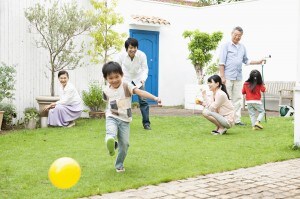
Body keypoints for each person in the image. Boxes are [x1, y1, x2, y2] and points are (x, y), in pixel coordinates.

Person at [102, 61, 161, 172]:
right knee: (110, 133)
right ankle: (110, 142)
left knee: (124, 145)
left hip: (125, 119)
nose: (114, 80)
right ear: (106, 78)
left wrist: (155, 98)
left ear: (122, 75)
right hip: (112, 116)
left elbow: (140, 92)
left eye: (116, 77)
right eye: (110, 78)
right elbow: (106, 102)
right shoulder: (106, 90)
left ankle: (118, 162)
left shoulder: (126, 85)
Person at [219, 26, 265, 126]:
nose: (237, 37)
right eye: (235, 35)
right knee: (226, 98)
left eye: (239, 35)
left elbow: (246, 60)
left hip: (238, 77)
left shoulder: (242, 47)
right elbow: (221, 63)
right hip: (227, 77)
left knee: (238, 99)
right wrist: (222, 76)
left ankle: (237, 120)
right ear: (231, 34)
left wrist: (258, 61)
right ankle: (225, 119)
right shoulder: (225, 46)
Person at [115, 38, 152, 130]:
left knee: (143, 101)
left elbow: (145, 69)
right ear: (126, 48)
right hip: (126, 79)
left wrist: (143, 79)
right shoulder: (121, 56)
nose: (133, 50)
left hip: (139, 79)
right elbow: (116, 67)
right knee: (125, 102)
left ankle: (146, 123)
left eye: (135, 47)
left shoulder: (142, 55)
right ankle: (124, 122)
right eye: (131, 47)